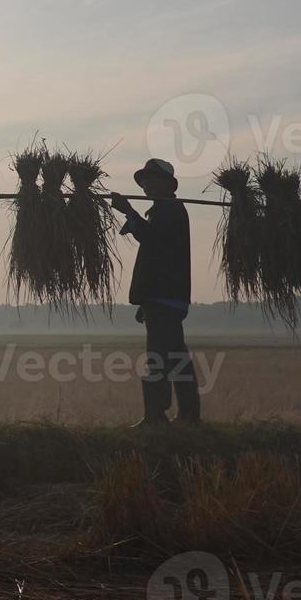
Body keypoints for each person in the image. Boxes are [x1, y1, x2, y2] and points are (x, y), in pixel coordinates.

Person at [110, 158, 200, 427]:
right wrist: (146, 302)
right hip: (166, 297)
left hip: (165, 298)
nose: (146, 183)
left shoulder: (169, 210)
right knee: (176, 357)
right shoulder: (164, 210)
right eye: (144, 179)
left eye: (152, 178)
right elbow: (158, 251)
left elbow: (152, 240)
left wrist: (128, 211)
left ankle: (155, 416)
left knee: (158, 358)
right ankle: (189, 414)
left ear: (168, 184)